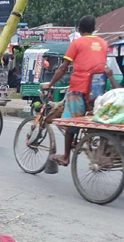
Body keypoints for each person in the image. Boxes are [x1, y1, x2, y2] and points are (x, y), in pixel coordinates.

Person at [41, 16, 108, 167]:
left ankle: (65, 157)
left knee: (71, 122)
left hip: (79, 88)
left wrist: (50, 84)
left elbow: (63, 68)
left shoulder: (77, 43)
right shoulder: (103, 43)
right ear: (94, 29)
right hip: (97, 91)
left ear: (78, 29)